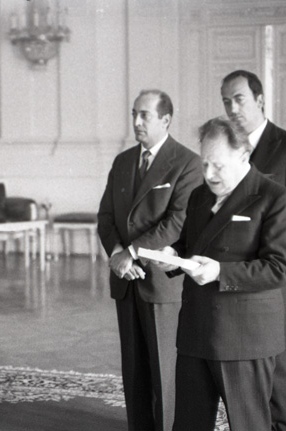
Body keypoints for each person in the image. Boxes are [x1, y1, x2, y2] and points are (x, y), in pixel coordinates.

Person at [154, 117, 286, 430]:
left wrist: (220, 271)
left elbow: (279, 269)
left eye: (218, 165)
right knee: (188, 424)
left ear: (243, 156)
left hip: (244, 338)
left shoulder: (277, 199)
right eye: (204, 164)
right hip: (196, 330)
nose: (209, 174)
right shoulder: (199, 196)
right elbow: (190, 243)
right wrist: (173, 255)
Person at [221, 70, 286, 430]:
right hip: (230, 271)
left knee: (274, 359)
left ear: (260, 100)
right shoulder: (226, 149)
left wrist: (273, 239)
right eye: (226, 101)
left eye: (239, 99)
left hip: (272, 272)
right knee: (240, 357)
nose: (232, 108)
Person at [97, 90, 203, 431]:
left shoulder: (187, 162)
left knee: (163, 369)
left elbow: (177, 221)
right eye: (134, 114)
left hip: (159, 281)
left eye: (144, 115)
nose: (136, 121)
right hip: (125, 279)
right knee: (133, 369)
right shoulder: (122, 161)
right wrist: (118, 255)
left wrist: (131, 253)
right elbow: (106, 216)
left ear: (165, 120)